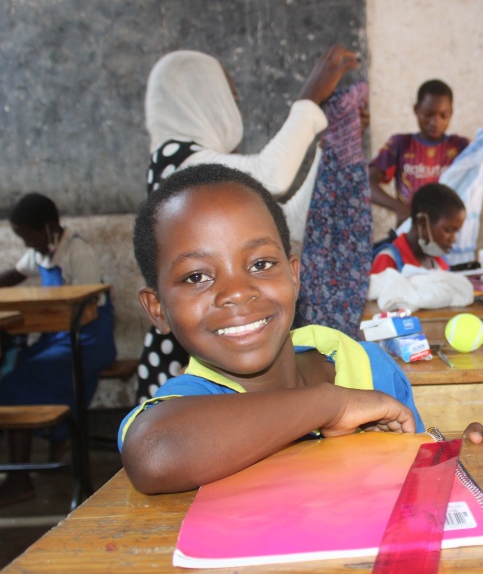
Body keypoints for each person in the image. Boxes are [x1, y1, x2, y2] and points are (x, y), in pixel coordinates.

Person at [119, 164, 483, 495]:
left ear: (295, 275)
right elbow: (155, 453)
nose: (237, 294)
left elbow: (413, 485)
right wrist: (330, 405)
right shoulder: (189, 405)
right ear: (157, 309)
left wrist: (474, 459)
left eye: (260, 265)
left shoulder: (369, 369)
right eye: (196, 277)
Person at [137, 45, 364, 402]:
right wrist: (309, 101)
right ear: (198, 97)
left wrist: (329, 147)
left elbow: (287, 221)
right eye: (229, 93)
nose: (235, 101)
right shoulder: (176, 159)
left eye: (260, 264)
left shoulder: (202, 164)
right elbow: (271, 175)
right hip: (185, 369)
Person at [0, 193, 117, 506]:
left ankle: (20, 479)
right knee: (17, 368)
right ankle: (56, 445)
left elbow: (87, 300)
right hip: (60, 337)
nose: (29, 244)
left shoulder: (77, 250)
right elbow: (15, 274)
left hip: (88, 338)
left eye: (30, 236)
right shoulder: (41, 252)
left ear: (49, 227)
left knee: (21, 382)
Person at [369, 79, 483, 226]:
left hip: (448, 238)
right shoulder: (400, 144)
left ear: (451, 113)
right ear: (416, 109)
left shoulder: (460, 147)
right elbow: (367, 184)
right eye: (427, 114)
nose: (435, 122)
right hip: (410, 234)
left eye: (443, 115)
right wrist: (399, 208)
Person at [370, 182, 465, 274]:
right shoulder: (389, 260)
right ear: (423, 223)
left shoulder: (439, 261)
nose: (453, 239)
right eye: (448, 230)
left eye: (456, 231)